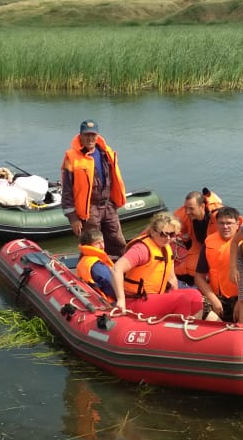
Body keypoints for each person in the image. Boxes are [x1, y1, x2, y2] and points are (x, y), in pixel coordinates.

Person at [111, 212, 204, 318]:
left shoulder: (166, 249)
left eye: (172, 234)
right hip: (136, 300)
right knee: (182, 300)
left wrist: (173, 299)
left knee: (195, 295)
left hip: (156, 296)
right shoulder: (141, 249)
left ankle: (194, 327)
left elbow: (172, 279)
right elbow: (116, 269)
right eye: (164, 234)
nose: (168, 238)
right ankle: (179, 330)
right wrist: (121, 299)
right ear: (154, 232)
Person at [61, 119, 128, 258]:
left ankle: (119, 270)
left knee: (117, 240)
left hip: (108, 204)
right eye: (87, 135)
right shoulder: (71, 158)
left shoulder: (106, 152)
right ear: (80, 136)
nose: (90, 138)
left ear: (97, 136)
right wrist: (73, 218)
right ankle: (89, 274)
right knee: (92, 244)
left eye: (93, 135)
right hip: (89, 209)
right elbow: (67, 190)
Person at [192, 206, 243, 322]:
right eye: (221, 223)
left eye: (229, 223)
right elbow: (199, 277)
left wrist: (242, 301)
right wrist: (213, 300)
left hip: (240, 298)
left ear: (237, 224)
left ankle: (235, 334)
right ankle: (220, 331)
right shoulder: (209, 242)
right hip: (216, 297)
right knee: (198, 311)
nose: (225, 227)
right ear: (216, 224)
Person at [171, 188, 223, 286]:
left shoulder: (218, 216)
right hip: (200, 246)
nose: (187, 212)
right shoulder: (183, 215)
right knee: (186, 271)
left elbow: (238, 227)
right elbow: (163, 224)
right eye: (186, 208)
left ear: (202, 206)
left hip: (219, 249)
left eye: (191, 208)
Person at [75, 230, 115, 302]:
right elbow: (112, 287)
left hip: (95, 298)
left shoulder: (84, 259)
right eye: (97, 243)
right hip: (109, 302)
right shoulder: (96, 266)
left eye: (102, 242)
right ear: (89, 246)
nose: (102, 246)